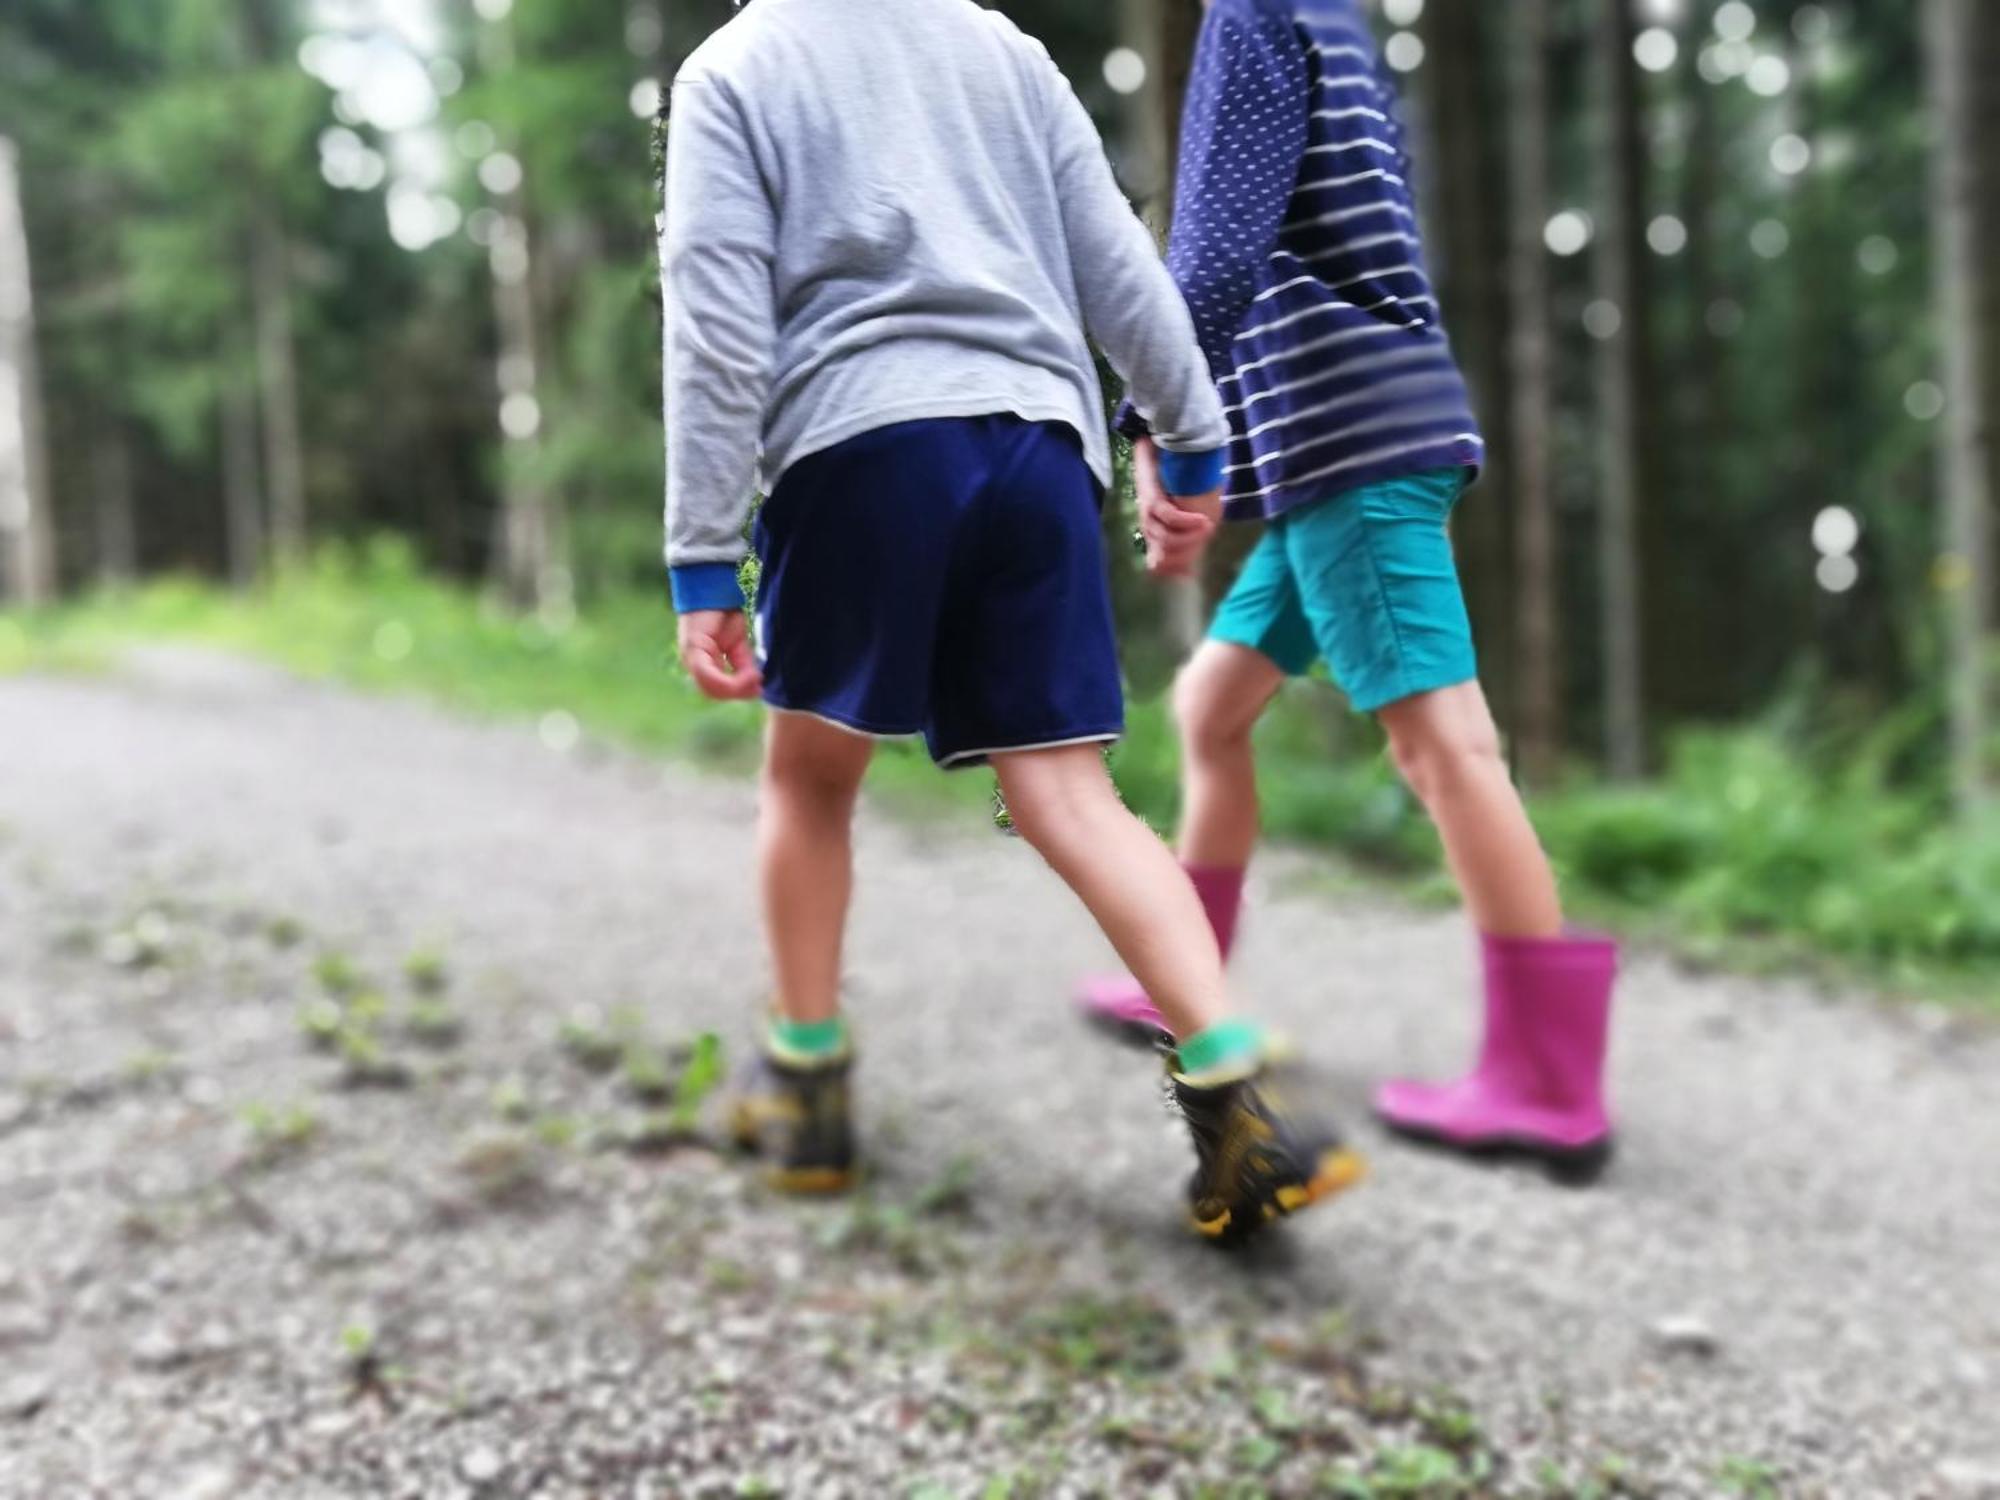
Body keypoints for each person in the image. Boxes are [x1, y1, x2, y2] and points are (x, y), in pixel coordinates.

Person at [663, 0, 1364, 1235]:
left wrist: (702, 558)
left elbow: (719, 328)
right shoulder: (1001, 49)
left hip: (860, 448)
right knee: (1070, 795)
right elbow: (1112, 261)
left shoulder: (736, 68)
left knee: (811, 777)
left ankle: (806, 1094)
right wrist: (1192, 439)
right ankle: (1237, 1095)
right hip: (1037, 452)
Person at [1077, 0, 1619, 1182]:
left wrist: (1157, 422)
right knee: (1211, 706)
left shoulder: (1255, 13)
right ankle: (1185, 972)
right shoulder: (1331, 19)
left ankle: (1545, 1083)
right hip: (1341, 443)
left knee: (1442, 749)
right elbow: (1320, 258)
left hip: (1351, 451)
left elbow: (1218, 249)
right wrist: (1244, 463)